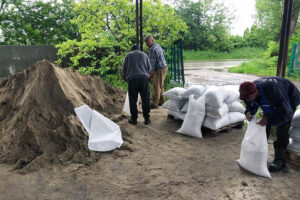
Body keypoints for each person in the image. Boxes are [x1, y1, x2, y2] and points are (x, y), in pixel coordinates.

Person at [239, 77, 300, 172]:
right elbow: (250, 104)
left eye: (248, 98)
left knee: (282, 128)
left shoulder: (273, 93)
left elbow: (285, 114)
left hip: (288, 98)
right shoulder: (248, 92)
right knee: (263, 125)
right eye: (245, 98)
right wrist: (249, 112)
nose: (247, 100)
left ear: (255, 92)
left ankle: (280, 159)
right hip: (272, 98)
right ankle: (261, 154)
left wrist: (269, 120)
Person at [122, 45, 151, 125]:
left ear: (132, 50)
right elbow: (149, 68)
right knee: (145, 99)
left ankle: (134, 119)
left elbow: (123, 69)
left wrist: (125, 77)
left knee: (133, 100)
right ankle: (147, 119)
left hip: (132, 80)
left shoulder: (128, 55)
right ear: (138, 49)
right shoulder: (144, 55)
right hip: (143, 79)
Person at [144, 35, 168, 109]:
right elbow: (163, 52)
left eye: (148, 42)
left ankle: (155, 103)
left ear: (152, 40)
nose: (147, 44)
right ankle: (161, 101)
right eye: (146, 42)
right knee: (160, 85)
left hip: (160, 69)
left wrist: (149, 75)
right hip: (164, 67)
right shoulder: (157, 45)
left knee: (156, 86)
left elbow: (152, 64)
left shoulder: (152, 49)